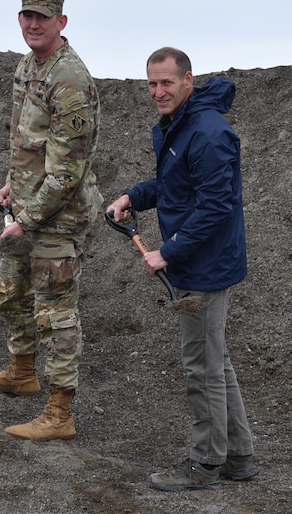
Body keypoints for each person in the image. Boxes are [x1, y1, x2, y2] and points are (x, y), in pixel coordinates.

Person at [107, 47, 258, 491]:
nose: (158, 92)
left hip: (204, 267)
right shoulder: (180, 126)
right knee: (216, 362)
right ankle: (238, 455)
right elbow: (175, 186)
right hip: (198, 261)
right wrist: (132, 197)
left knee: (202, 368)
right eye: (152, 84)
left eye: (167, 83)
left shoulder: (208, 132)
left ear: (188, 80)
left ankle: (205, 463)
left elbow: (216, 206)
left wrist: (167, 252)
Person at [0, 0, 102, 441]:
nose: (33, 25)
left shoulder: (70, 80)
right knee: (12, 292)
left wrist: (26, 221)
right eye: (27, 16)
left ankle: (60, 413)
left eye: (43, 18)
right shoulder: (28, 65)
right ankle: (22, 372)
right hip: (28, 202)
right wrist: (12, 185)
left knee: (55, 314)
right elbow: (26, 142)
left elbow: (68, 172)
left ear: (61, 22)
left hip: (59, 215)